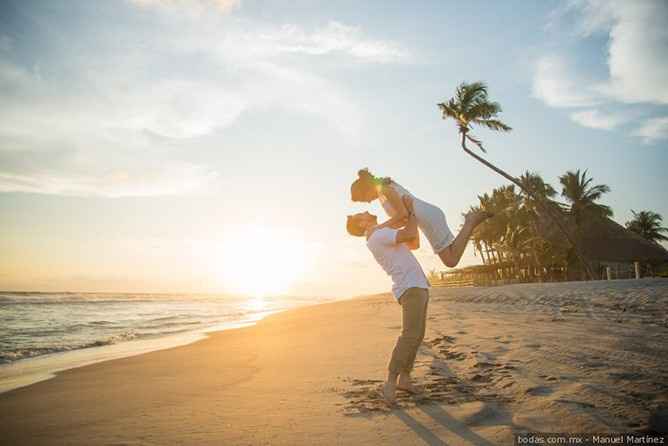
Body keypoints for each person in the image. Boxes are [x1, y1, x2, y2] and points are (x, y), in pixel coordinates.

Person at [346, 196, 430, 404]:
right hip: (410, 286)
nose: (366, 212)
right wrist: (411, 213)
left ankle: (405, 378)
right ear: (362, 223)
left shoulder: (380, 234)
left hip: (417, 285)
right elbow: (409, 232)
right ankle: (391, 381)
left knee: (417, 335)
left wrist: (410, 216)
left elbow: (414, 242)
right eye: (361, 214)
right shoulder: (378, 236)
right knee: (410, 335)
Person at [350, 169, 491, 267]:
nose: (367, 202)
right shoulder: (383, 191)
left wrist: (379, 228)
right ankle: (470, 223)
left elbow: (403, 214)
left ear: (366, 189)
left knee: (450, 261)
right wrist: (384, 229)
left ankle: (470, 222)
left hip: (428, 218)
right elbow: (402, 218)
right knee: (450, 258)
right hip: (427, 217)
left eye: (364, 198)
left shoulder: (385, 190)